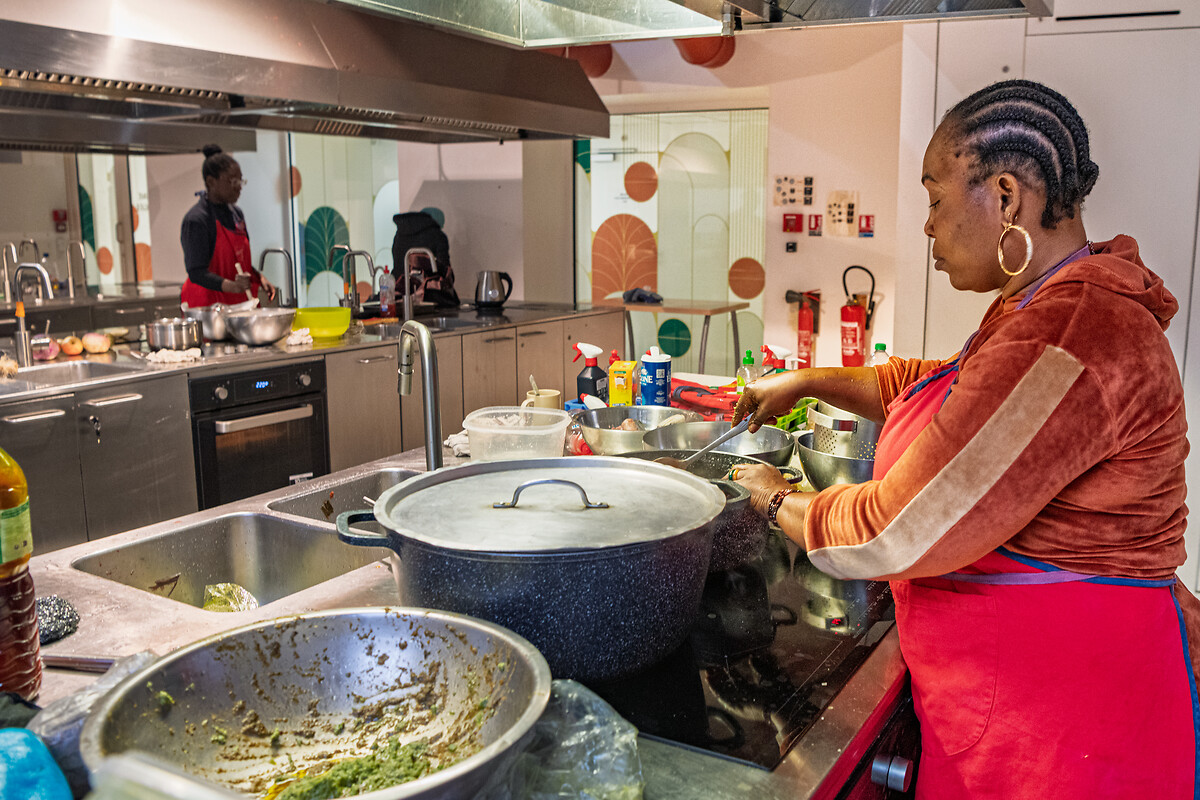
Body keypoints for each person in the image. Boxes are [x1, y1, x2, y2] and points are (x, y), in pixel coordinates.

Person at [732, 79, 1199, 798]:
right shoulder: (1049, 303)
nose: (927, 226)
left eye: (935, 198)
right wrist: (807, 380)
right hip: (1033, 697)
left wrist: (767, 494)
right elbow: (943, 388)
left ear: (1007, 197)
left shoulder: (1067, 335)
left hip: (1062, 729)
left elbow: (890, 531)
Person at [180, 144, 275, 308]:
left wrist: (258, 277)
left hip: (238, 307)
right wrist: (232, 286)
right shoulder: (197, 220)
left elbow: (238, 261)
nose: (239, 187)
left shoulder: (237, 214)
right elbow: (196, 272)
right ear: (211, 182)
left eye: (240, 180)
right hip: (209, 309)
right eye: (233, 181)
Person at [391, 207, 459, 308]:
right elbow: (445, 272)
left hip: (398, 296)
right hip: (427, 297)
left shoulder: (399, 234)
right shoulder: (438, 235)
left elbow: (397, 264)